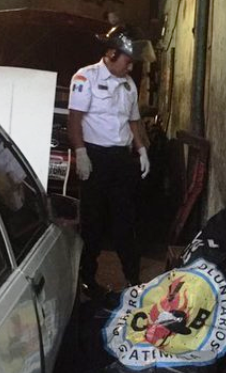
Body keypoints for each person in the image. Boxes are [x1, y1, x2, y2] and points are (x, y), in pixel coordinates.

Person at [68, 26, 155, 296]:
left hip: (120, 159)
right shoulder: (86, 77)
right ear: (110, 54)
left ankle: (133, 280)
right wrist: (81, 153)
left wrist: (141, 150)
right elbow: (74, 120)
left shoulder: (128, 85)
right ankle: (86, 281)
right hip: (95, 158)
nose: (130, 68)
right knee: (93, 223)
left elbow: (133, 121)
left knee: (126, 223)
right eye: (128, 62)